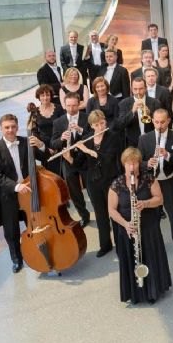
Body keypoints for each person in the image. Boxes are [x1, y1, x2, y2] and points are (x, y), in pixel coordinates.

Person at [108, 147, 171, 304]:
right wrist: (126, 224)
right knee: (131, 259)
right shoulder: (116, 185)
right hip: (128, 229)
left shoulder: (149, 179)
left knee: (150, 256)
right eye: (129, 164)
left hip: (149, 228)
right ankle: (136, 293)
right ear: (124, 164)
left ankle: (153, 291)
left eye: (135, 163)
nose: (132, 167)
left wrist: (145, 203)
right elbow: (111, 210)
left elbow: (160, 199)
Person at [0, 114, 47, 272]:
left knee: (34, 224)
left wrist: (41, 145)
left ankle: (40, 252)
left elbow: (45, 156)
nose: (10, 130)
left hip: (29, 191)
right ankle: (16, 259)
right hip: (9, 195)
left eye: (13, 126)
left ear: (17, 127)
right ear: (1, 128)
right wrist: (16, 186)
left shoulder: (27, 142)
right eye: (7, 127)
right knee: (11, 231)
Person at [138, 108, 173, 259]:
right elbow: (139, 162)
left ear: (168, 121)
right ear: (152, 121)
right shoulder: (144, 139)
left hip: (169, 180)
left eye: (162, 122)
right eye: (156, 122)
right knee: (150, 216)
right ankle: (152, 246)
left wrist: (167, 155)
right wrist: (147, 163)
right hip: (151, 183)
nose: (159, 125)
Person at [72, 110, 121, 257]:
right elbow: (79, 163)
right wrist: (71, 154)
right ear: (91, 126)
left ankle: (120, 244)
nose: (100, 126)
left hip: (111, 179)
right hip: (93, 181)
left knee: (115, 212)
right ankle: (105, 245)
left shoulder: (113, 137)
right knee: (100, 214)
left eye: (102, 123)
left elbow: (108, 158)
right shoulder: (87, 138)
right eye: (97, 124)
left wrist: (87, 150)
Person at [51, 92, 91, 227]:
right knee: (74, 192)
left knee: (91, 189)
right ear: (64, 105)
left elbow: (93, 136)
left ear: (79, 104)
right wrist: (61, 138)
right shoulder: (58, 122)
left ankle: (102, 214)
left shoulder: (86, 118)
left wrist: (80, 130)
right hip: (68, 161)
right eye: (68, 106)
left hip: (85, 159)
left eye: (74, 105)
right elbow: (53, 144)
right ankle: (84, 215)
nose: (71, 109)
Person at [118, 78, 161, 148]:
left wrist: (150, 113)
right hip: (132, 142)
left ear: (145, 88)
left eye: (141, 89)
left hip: (151, 140)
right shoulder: (124, 103)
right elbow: (121, 124)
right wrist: (132, 111)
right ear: (131, 89)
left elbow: (160, 124)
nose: (138, 92)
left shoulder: (155, 102)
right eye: (135, 89)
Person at [34, 84, 65, 173]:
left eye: (47, 95)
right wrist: (44, 147)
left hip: (58, 142)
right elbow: (35, 132)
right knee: (49, 172)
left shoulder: (58, 108)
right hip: (44, 146)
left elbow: (63, 125)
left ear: (51, 96)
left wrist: (58, 143)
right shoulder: (35, 111)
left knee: (61, 171)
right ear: (38, 97)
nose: (45, 97)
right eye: (42, 95)